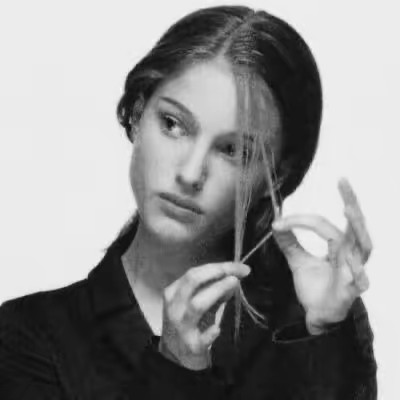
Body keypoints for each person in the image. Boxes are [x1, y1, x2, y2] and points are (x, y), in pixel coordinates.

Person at [0, 5, 377, 399]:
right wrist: (175, 369)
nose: (191, 173)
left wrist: (326, 332)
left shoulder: (311, 321)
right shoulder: (31, 336)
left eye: (233, 150)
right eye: (173, 124)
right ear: (137, 113)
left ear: (276, 177)